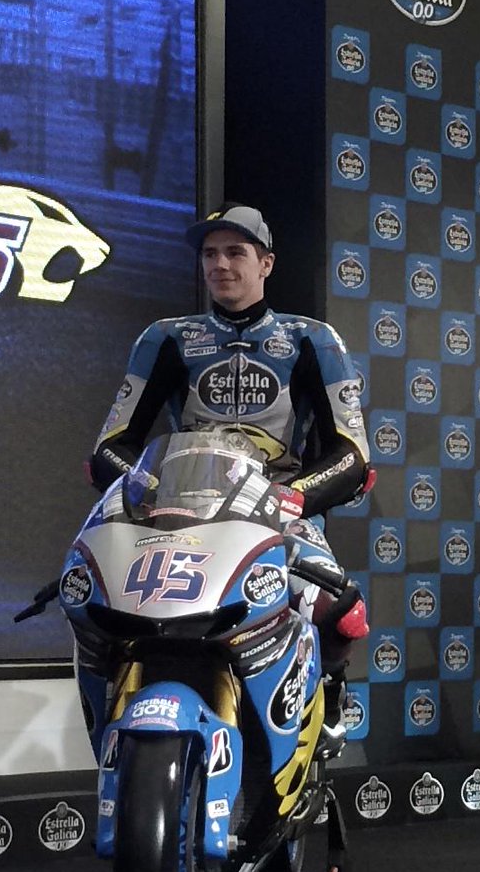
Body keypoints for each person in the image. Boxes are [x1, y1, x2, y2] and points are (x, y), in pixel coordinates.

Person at [87, 204, 370, 734]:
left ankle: (327, 699)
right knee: (98, 604)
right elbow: (110, 446)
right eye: (210, 254)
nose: (220, 264)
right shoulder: (165, 338)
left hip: (279, 511)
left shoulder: (313, 339)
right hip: (181, 515)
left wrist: (294, 497)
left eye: (235, 252)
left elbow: (352, 453)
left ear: (266, 264)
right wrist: (143, 486)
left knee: (339, 611)